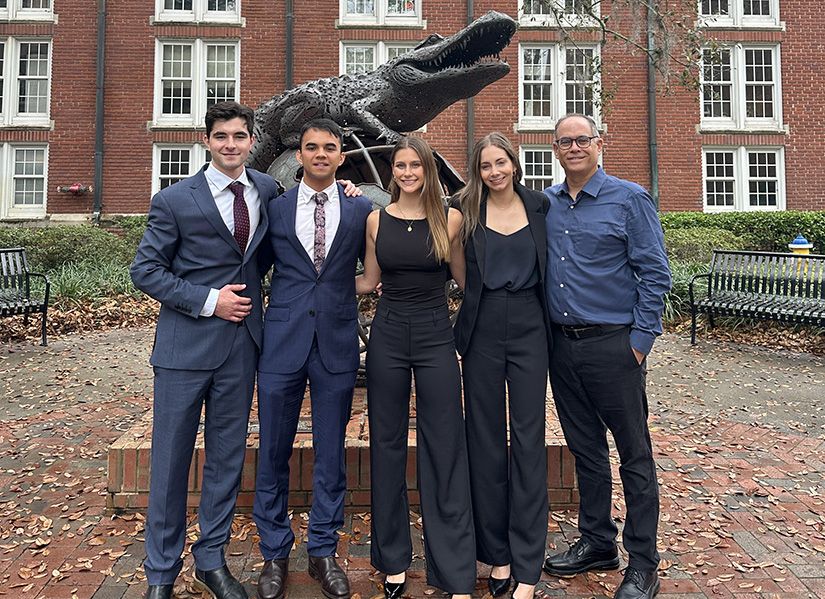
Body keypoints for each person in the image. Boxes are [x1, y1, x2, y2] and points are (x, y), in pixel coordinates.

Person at [131, 100, 280, 599]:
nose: (231, 145)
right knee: (170, 463)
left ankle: (211, 560)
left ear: (252, 141)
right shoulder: (174, 199)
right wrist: (209, 301)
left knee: (226, 460)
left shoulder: (266, 189)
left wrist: (346, 191)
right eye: (221, 136)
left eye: (240, 136)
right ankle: (160, 573)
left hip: (242, 349)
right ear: (207, 140)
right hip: (183, 350)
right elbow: (145, 271)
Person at [541, 114, 671, 599]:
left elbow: (655, 274)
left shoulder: (629, 199)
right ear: (555, 149)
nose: (573, 147)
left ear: (599, 143)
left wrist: (638, 343)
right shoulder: (547, 204)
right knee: (586, 451)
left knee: (634, 456)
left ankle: (643, 562)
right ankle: (597, 541)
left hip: (614, 347)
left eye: (582, 139)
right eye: (564, 141)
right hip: (562, 347)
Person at [253, 118, 373, 599]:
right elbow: (250, 262)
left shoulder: (360, 207)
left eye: (330, 148)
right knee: (273, 451)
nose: (320, 154)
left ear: (342, 157)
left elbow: (377, 263)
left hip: (337, 342)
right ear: (298, 156)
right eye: (311, 147)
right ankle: (274, 553)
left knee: (330, 454)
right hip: (283, 341)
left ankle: (323, 550)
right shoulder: (275, 208)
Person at [356, 136, 476, 599]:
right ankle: (392, 562)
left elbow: (466, 283)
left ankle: (454, 568)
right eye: (401, 166)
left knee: (444, 445)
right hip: (387, 336)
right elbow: (368, 281)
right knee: (385, 445)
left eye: (415, 166)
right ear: (394, 172)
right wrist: (313, 285)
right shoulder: (374, 220)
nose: (407, 173)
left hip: (434, 337)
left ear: (428, 170)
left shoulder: (450, 219)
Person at [452, 133, 550, 599]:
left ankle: (528, 564)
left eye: (501, 162)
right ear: (478, 171)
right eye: (486, 165)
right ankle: (497, 554)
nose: (495, 172)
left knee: (529, 441)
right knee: (485, 440)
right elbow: (413, 199)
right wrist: (353, 192)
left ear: (515, 162)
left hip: (531, 325)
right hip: (483, 327)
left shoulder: (541, 207)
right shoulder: (466, 212)